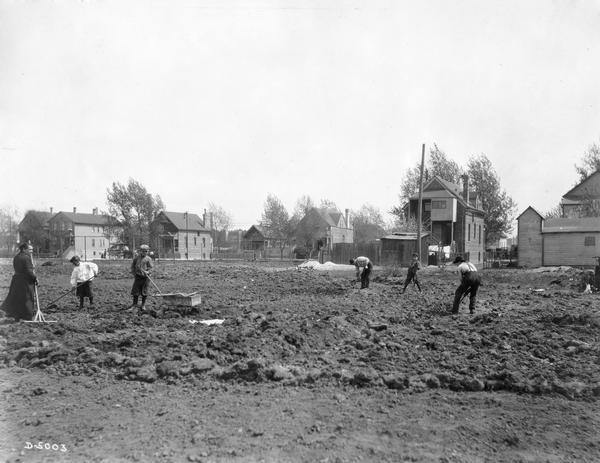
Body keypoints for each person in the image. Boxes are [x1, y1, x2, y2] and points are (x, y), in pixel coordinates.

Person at [0, 243, 38, 321]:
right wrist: (35, 278)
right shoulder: (26, 258)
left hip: (16, 280)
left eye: (32, 250)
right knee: (27, 298)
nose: (31, 252)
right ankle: (27, 316)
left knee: (17, 298)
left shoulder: (16, 257)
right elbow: (28, 271)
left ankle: (17, 316)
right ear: (24, 249)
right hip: (25, 281)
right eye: (29, 249)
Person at [129, 244, 153, 310]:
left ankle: (143, 305)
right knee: (135, 291)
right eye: (143, 251)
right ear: (140, 251)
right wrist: (134, 273)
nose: (144, 252)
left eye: (146, 251)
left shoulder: (148, 259)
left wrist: (148, 272)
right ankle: (134, 305)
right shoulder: (136, 258)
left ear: (147, 252)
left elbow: (151, 268)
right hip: (138, 277)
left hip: (146, 278)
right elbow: (133, 266)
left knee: (144, 292)